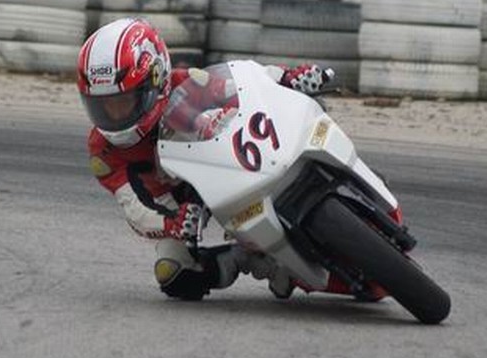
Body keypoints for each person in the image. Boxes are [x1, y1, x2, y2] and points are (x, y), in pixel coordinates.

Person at [77, 17, 361, 302]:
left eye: (124, 101)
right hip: (179, 204)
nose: (115, 115)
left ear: (155, 79)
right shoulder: (103, 150)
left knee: (303, 106)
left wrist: (286, 79)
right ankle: (253, 260)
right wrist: (173, 223)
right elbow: (134, 207)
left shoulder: (185, 84)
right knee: (172, 272)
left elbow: (245, 84)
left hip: (218, 157)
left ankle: (345, 170)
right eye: (103, 106)